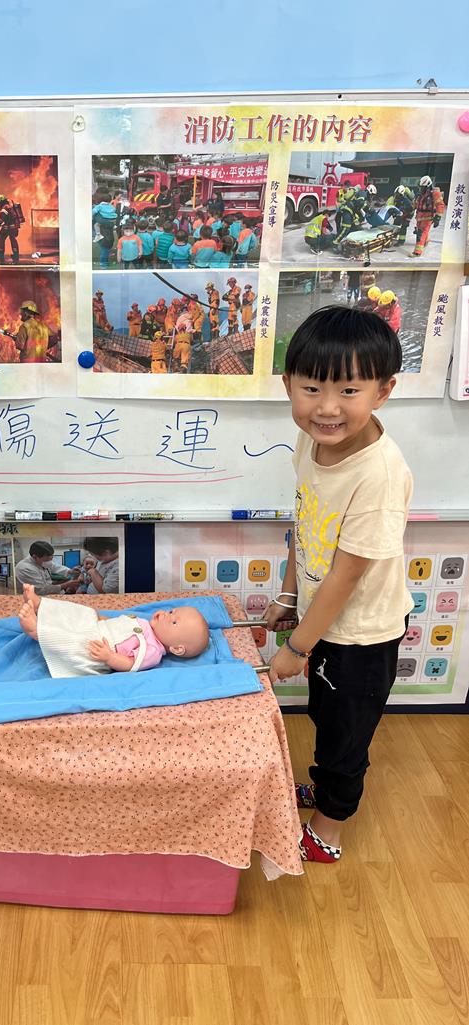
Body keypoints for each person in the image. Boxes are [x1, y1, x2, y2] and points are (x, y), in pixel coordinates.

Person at [267, 305, 412, 863]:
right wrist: (288, 596)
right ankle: (324, 786)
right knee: (325, 718)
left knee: (347, 735)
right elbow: (303, 523)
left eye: (349, 391)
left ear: (383, 391)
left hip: (363, 635)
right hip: (324, 620)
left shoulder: (379, 474)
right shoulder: (311, 440)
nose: (327, 408)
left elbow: (348, 574)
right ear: (289, 385)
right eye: (312, 389)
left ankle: (329, 828)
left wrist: (298, 647)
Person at [18, 585, 209, 676]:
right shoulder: (144, 623)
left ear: (177, 648)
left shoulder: (153, 651)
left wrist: (109, 657)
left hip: (100, 649)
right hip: (98, 628)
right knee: (84, 612)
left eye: (173, 621)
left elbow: (131, 664)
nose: (167, 615)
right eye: (171, 611)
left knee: (76, 644)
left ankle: (37, 631)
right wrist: (103, 620)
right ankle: (41, 605)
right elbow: (121, 625)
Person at [14, 540, 80, 595]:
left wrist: (70, 571)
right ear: (35, 557)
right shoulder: (24, 568)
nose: (49, 562)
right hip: (37, 596)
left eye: (50, 559)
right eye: (46, 560)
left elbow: (54, 566)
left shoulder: (42, 560)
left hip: (52, 592)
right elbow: (40, 590)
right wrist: (66, 585)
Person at [410, 175, 445, 258]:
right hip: (419, 217)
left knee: (421, 233)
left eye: (422, 187)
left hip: (428, 217)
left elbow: (440, 204)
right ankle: (425, 241)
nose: (420, 189)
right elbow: (417, 204)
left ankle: (417, 252)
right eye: (420, 187)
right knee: (420, 231)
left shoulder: (434, 193)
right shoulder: (421, 194)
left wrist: (438, 217)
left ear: (428, 186)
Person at [92, 192, 117, 268]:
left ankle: (103, 264)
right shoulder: (111, 206)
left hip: (105, 234)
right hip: (111, 221)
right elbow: (114, 210)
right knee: (105, 248)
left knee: (104, 248)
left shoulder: (99, 206)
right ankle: (104, 263)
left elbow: (93, 212)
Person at [0, 194, 22, 264]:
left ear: (1, 202)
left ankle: (1, 255)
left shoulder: (4, 208)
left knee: (1, 237)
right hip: (14, 226)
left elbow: (1, 219)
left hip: (8, 227)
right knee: (13, 240)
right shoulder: (10, 206)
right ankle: (16, 255)